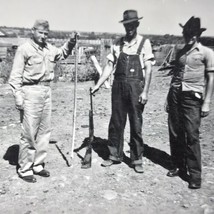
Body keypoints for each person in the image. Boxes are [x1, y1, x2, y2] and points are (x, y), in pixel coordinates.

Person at [9, 20, 77, 183]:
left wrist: (71, 42)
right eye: (40, 32)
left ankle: (37, 165)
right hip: (30, 91)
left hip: (46, 91)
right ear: (33, 31)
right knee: (29, 132)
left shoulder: (49, 48)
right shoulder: (24, 49)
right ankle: (25, 168)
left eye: (46, 33)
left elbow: (62, 53)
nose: (43, 36)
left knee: (44, 131)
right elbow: (15, 76)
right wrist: (18, 96)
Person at [91, 10, 154, 173]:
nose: (129, 28)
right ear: (124, 26)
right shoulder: (117, 43)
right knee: (116, 122)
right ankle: (114, 155)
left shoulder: (144, 43)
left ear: (137, 24)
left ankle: (136, 158)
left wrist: (145, 91)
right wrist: (98, 84)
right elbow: (110, 66)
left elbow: (148, 68)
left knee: (136, 123)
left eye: (132, 25)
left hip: (135, 88)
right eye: (127, 25)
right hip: (118, 87)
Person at [166, 16, 214, 189]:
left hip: (193, 98)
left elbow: (211, 78)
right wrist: (168, 99)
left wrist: (207, 101)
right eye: (187, 33)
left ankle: (195, 175)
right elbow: (175, 77)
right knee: (175, 132)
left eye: (192, 34)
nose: (189, 37)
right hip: (176, 96)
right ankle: (178, 165)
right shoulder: (180, 52)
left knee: (192, 135)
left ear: (197, 35)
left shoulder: (207, 53)